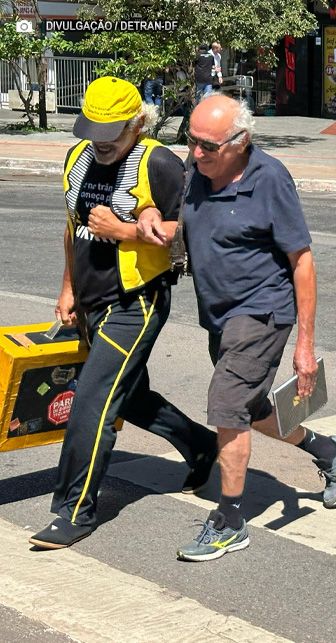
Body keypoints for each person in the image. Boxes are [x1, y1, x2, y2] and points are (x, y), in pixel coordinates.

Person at [137, 95, 336, 561]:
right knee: (250, 409)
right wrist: (152, 219)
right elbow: (194, 223)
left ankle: (230, 520)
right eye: (190, 141)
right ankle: (328, 450)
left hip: (263, 313)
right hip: (219, 315)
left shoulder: (270, 179)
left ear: (241, 142)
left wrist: (305, 344)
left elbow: (303, 261)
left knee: (226, 405)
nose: (195, 153)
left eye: (207, 146)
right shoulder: (198, 170)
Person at [28, 77, 219, 550]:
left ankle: (73, 511)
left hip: (135, 302)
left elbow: (196, 234)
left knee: (91, 402)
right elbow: (73, 229)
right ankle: (199, 445)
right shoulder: (79, 158)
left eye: (112, 129)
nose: (102, 139)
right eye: (93, 128)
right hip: (90, 301)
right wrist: (67, 288)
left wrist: (125, 231)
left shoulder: (158, 163)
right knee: (128, 395)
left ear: (138, 122)